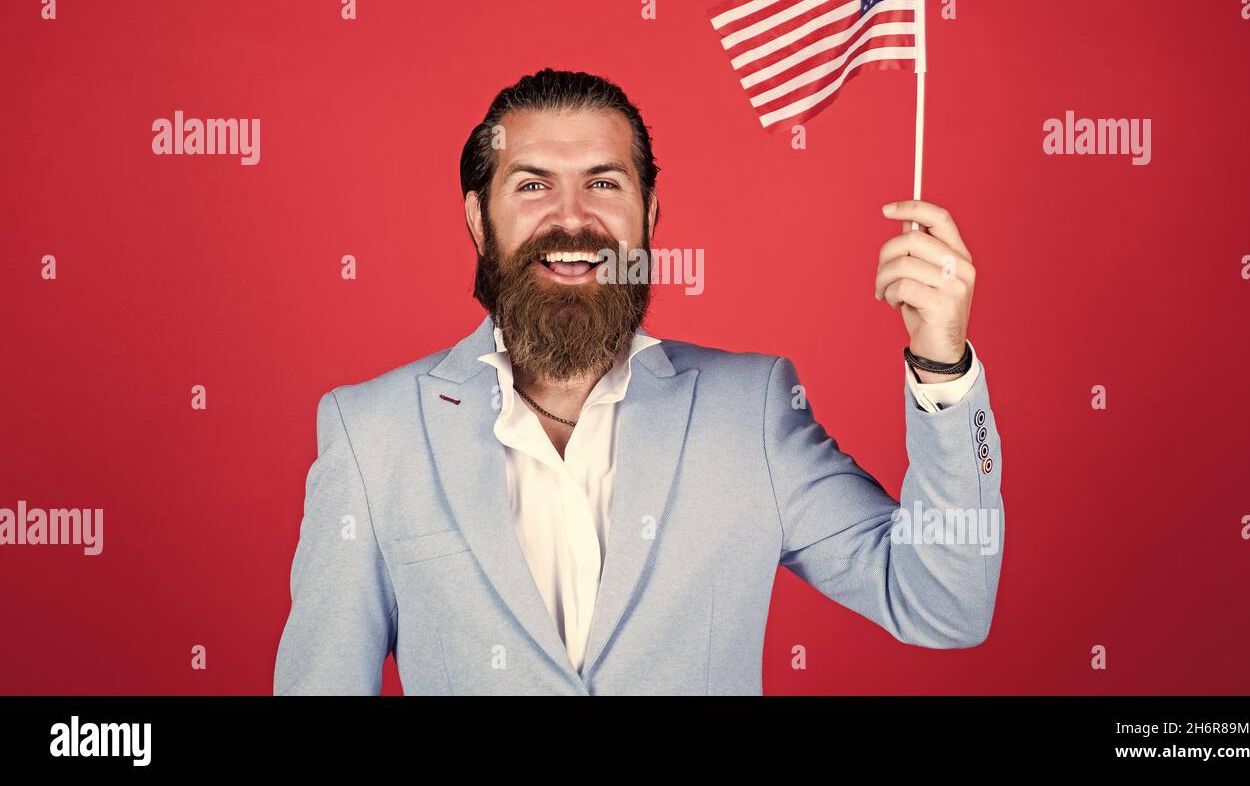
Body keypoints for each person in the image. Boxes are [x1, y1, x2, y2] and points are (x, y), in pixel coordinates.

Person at [272, 67, 1003, 695]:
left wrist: (943, 363)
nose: (571, 217)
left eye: (604, 183)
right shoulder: (372, 433)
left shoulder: (748, 410)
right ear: (477, 217)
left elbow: (941, 602)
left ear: (649, 213)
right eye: (532, 184)